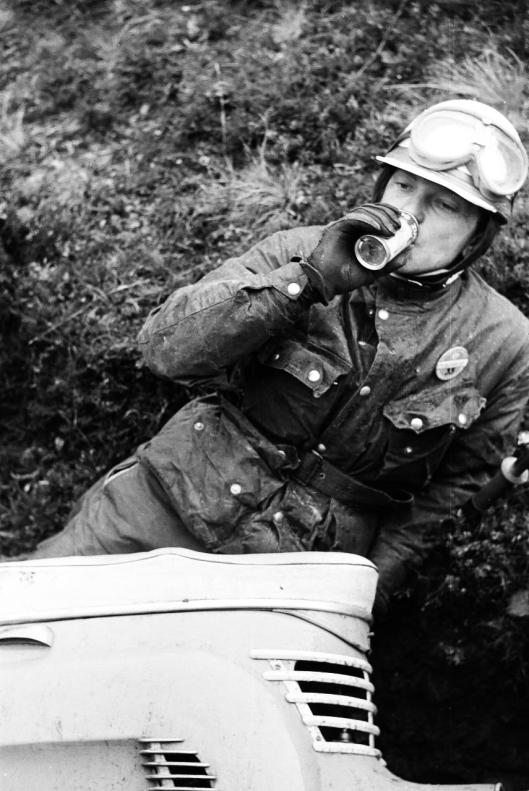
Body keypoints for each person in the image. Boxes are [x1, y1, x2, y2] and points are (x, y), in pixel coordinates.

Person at [30, 99, 529, 617]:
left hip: (294, 579)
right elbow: (165, 350)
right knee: (28, 623)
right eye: (404, 185)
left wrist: (366, 593)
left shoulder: (505, 342)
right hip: (164, 504)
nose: (412, 212)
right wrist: (305, 281)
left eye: (445, 203)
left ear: (480, 233)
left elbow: (449, 492)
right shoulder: (301, 249)